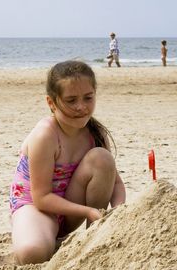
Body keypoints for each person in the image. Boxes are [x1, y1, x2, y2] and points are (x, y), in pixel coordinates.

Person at [9, 60, 126, 265]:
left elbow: (115, 183)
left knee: (101, 158)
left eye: (88, 98)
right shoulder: (45, 135)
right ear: (51, 102)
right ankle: (37, 232)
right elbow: (42, 198)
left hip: (71, 205)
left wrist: (118, 212)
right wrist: (88, 211)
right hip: (37, 206)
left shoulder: (95, 134)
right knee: (32, 253)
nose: (81, 107)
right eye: (71, 100)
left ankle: (94, 236)